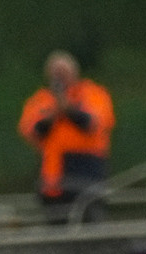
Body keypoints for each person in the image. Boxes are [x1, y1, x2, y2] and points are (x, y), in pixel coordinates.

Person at [19, 51, 114, 215]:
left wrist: (67, 108)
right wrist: (54, 113)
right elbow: (31, 130)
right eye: (55, 73)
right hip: (52, 177)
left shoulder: (93, 94)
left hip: (86, 171)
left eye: (63, 72)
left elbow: (93, 123)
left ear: (74, 72)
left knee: (89, 218)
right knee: (56, 223)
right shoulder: (40, 100)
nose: (59, 77)